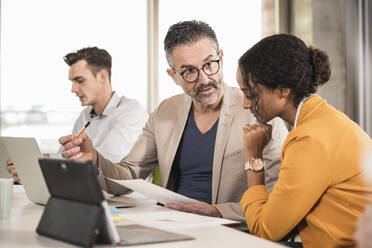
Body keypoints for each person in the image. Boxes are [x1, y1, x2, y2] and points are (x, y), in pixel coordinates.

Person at [60, 20, 288, 221]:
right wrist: (95, 161)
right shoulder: (165, 112)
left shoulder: (260, 111)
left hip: (231, 229)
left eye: (209, 64)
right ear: (173, 76)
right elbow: (128, 175)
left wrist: (220, 211)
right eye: (189, 71)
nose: (204, 79)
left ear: (221, 58)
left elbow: (279, 194)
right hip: (171, 223)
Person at [237, 33, 372, 247]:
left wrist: (254, 158)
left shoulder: (310, 139)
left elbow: (264, 232)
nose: (245, 103)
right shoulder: (325, 119)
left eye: (250, 93)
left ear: (283, 91)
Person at [7, 47, 148, 182]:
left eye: (80, 81)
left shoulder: (131, 112)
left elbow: (105, 162)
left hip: (126, 201)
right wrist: (36, 162)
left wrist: (43, 168)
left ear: (102, 76)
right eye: (72, 82)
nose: (73, 89)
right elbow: (66, 156)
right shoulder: (85, 115)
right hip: (88, 192)